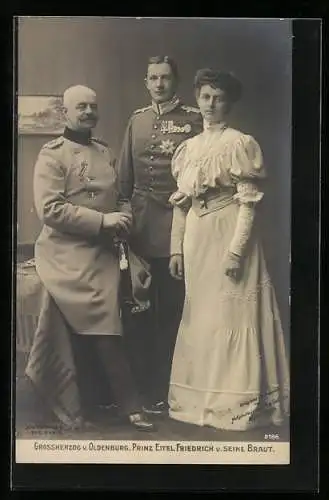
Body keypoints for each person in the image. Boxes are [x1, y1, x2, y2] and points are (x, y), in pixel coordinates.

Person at [168, 69, 290, 430]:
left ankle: (234, 404)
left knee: (230, 315)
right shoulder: (188, 149)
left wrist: (237, 252)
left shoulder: (239, 143)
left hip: (228, 228)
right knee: (200, 314)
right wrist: (176, 249)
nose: (211, 105)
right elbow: (181, 203)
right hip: (197, 234)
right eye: (205, 96)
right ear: (197, 98)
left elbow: (249, 203)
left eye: (218, 98)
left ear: (230, 103)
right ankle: (199, 401)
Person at [33, 84, 154, 431]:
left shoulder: (104, 151)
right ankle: (129, 404)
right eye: (81, 107)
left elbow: (120, 197)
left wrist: (125, 214)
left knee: (124, 310)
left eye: (93, 106)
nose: (88, 112)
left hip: (105, 250)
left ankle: (108, 400)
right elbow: (50, 209)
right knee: (104, 317)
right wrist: (103, 221)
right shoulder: (52, 155)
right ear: (65, 113)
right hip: (65, 252)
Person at [117, 56, 203, 414]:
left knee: (172, 310)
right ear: (146, 82)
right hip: (139, 228)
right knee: (138, 312)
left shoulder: (194, 120)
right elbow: (124, 181)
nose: (159, 84)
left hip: (177, 229)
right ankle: (139, 387)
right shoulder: (137, 120)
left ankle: (167, 389)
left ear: (176, 81)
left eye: (165, 78)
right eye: (153, 77)